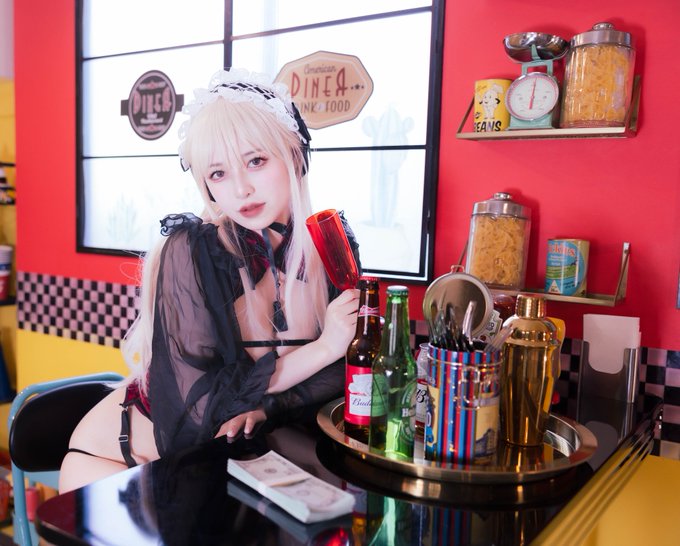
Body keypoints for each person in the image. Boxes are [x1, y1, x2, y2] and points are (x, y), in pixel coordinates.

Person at [59, 68, 361, 492]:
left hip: (217, 463)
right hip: (118, 462)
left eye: (256, 161)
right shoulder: (192, 251)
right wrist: (326, 345)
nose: (240, 189)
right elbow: (203, 411)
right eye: (218, 173)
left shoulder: (327, 243)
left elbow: (345, 374)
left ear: (295, 155)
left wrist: (266, 406)